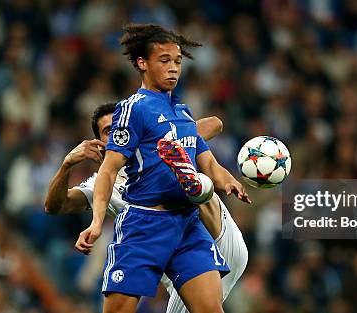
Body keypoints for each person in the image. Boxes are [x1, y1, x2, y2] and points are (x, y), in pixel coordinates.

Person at [74, 24, 250, 313]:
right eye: (164, 61)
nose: (173, 69)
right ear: (142, 63)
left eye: (178, 61)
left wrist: (229, 181)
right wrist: (96, 222)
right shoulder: (133, 109)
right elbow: (108, 170)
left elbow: (207, 161)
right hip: (145, 227)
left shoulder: (182, 112)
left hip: (187, 225)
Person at [44, 102, 249, 312]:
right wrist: (67, 164)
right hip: (189, 260)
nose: (118, 133)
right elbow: (55, 206)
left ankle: (197, 185)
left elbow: (215, 124)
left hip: (219, 239)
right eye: (109, 131)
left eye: (121, 127)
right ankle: (196, 185)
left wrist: (174, 134)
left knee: (192, 184)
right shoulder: (102, 184)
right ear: (99, 144)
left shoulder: (158, 143)